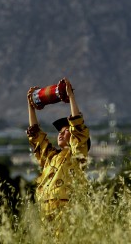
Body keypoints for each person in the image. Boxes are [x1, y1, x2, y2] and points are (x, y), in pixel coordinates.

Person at [26, 78, 90, 220]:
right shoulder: (50, 157)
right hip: (44, 210)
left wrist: (71, 97)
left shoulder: (77, 156)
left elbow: (78, 127)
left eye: (66, 130)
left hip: (65, 210)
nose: (60, 133)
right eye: (60, 131)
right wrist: (31, 106)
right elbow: (36, 137)